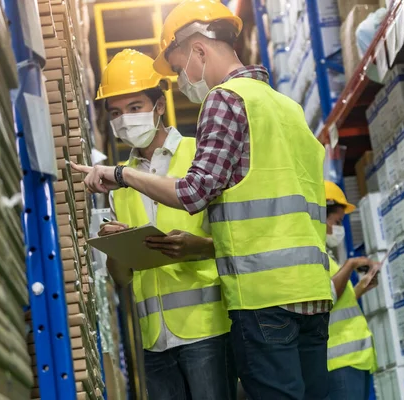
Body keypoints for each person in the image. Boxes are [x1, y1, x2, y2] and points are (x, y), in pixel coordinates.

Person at [72, 1, 334, 398]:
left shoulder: (225, 99)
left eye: (178, 68)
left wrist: (121, 175)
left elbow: (193, 192)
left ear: (198, 50)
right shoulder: (288, 108)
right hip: (311, 289)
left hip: (262, 296)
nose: (181, 80)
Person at [94, 49, 236, 400]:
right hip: (153, 340)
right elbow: (122, 278)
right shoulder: (120, 183)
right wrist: (114, 248)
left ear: (159, 106)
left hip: (207, 331)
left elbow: (239, 238)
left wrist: (197, 247)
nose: (125, 120)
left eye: (135, 108)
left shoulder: (200, 155)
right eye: (115, 113)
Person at [324, 181, 379, 400]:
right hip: (338, 361)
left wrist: (359, 289)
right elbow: (325, 300)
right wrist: (351, 264)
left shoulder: (326, 255)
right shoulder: (313, 255)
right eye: (337, 221)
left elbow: (337, 304)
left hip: (353, 359)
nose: (339, 229)